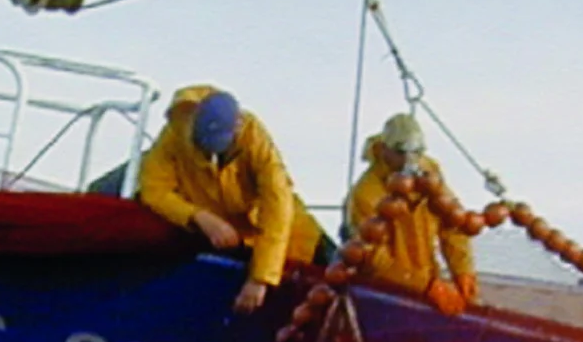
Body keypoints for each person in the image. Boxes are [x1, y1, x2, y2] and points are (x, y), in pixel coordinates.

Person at [136, 85, 324, 312]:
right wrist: (197, 216)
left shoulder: (255, 137)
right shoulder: (174, 134)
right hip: (216, 240)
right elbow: (153, 189)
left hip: (282, 243)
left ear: (237, 126)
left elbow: (276, 204)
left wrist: (261, 278)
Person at [343, 112, 478, 311]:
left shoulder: (429, 174)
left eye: (416, 153)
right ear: (384, 150)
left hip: (427, 280)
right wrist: (423, 285)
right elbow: (373, 258)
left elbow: (451, 222)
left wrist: (463, 270)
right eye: (401, 153)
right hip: (383, 295)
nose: (409, 161)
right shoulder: (366, 194)